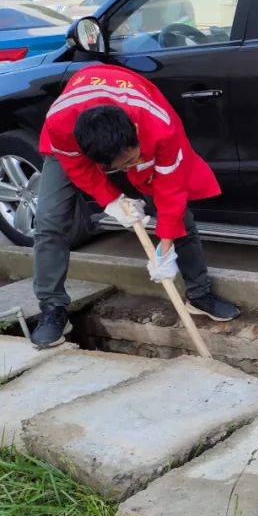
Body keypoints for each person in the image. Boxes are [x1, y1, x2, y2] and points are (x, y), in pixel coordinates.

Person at [32, 64, 240, 349]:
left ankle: (199, 294)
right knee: (49, 222)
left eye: (132, 160)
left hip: (146, 127)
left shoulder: (159, 125)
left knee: (181, 218)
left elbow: (172, 188)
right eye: (122, 166)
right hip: (72, 140)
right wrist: (112, 200)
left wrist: (165, 246)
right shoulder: (61, 124)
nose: (129, 168)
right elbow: (77, 166)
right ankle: (52, 308)